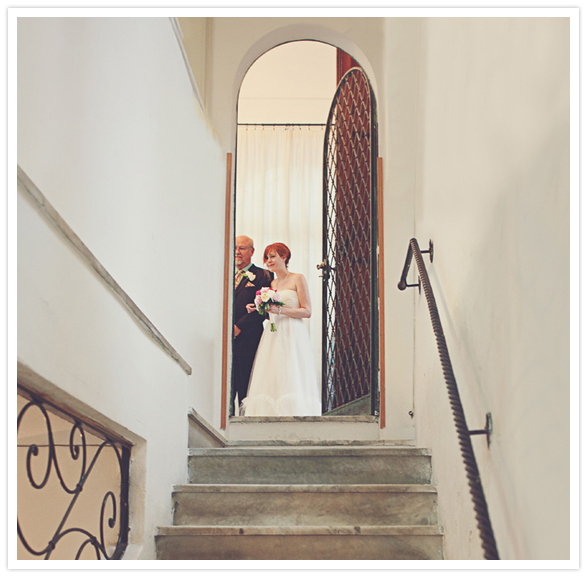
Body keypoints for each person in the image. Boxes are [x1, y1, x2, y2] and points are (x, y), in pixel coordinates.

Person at [241, 242, 322, 417]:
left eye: (272, 256)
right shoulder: (273, 282)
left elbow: (307, 311)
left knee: (291, 368)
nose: (269, 261)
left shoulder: (297, 278)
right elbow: (271, 308)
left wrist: (279, 310)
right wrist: (258, 307)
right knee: (273, 369)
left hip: (292, 331)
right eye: (267, 257)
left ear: (284, 257)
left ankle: (294, 413)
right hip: (273, 332)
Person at [231, 235, 272, 415]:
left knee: (246, 381)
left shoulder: (263, 275)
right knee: (225, 383)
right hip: (225, 336)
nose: (237, 252)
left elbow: (264, 308)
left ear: (252, 251)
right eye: (235, 248)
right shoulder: (225, 273)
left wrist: (239, 327)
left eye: (242, 248)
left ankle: (244, 419)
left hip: (248, 337)